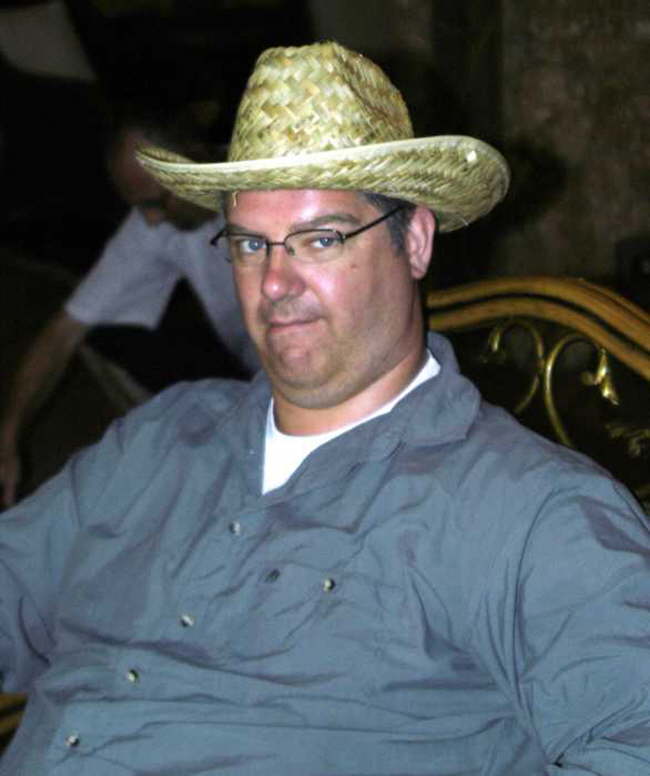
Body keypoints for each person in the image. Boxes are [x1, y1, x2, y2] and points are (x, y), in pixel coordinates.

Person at [1, 41, 649, 775]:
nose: (275, 282)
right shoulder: (160, 438)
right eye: (251, 244)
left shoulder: (526, 513)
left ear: (416, 240)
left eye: (320, 238)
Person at [0, 106, 258, 507]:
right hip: (257, 369)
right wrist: (8, 436)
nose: (151, 221)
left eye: (156, 202)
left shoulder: (273, 183)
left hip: (333, 361)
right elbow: (64, 330)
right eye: (139, 207)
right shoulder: (155, 225)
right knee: (102, 336)